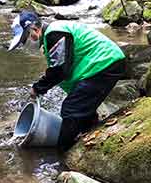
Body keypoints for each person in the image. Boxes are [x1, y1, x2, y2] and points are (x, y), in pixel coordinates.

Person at [8, 11, 126, 151]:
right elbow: (64, 68)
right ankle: (90, 137)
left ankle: (64, 151)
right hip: (102, 64)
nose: (24, 44)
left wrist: (38, 88)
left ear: (34, 29)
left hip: (104, 63)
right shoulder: (51, 36)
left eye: (23, 39)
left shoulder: (55, 32)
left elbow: (60, 70)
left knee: (70, 109)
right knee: (81, 109)